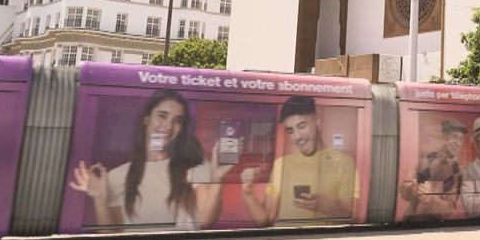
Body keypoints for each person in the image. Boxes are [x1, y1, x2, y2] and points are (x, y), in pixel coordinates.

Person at [68, 89, 226, 230]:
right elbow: (110, 234)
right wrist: (100, 199)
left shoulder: (195, 166)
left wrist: (217, 180)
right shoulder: (117, 176)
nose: (168, 126)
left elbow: (206, 220)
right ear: (146, 118)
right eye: (162, 116)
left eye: (177, 121)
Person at [239, 96, 355, 226]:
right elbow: (265, 221)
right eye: (291, 131)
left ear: (317, 121)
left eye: (302, 126)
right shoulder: (281, 164)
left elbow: (354, 220)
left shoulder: (344, 163)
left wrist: (328, 207)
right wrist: (248, 193)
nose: (297, 137)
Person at [396, 119, 466, 221]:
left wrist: (429, 199)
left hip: (433, 225)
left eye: (461, 139)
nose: (458, 143)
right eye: (454, 137)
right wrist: (412, 189)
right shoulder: (428, 159)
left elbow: (448, 210)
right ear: (444, 138)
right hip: (410, 221)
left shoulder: (458, 172)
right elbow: (404, 190)